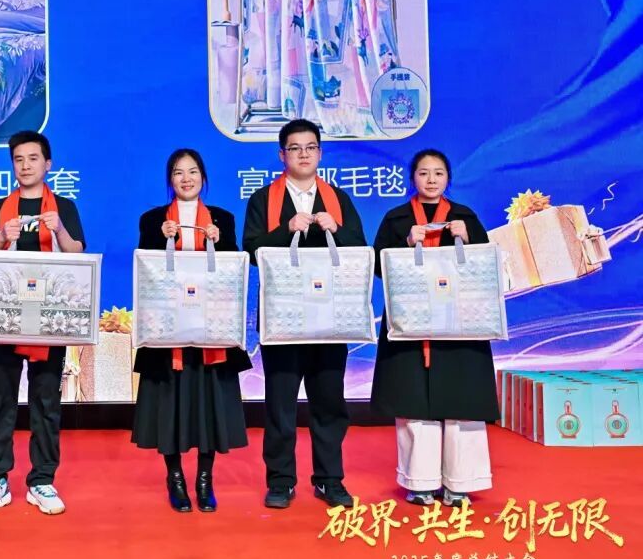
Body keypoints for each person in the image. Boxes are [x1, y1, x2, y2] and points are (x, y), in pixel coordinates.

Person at [242, 119, 365, 510]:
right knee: (280, 404)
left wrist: (337, 229)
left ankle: (330, 479)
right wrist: (285, 229)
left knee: (329, 401)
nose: (303, 154)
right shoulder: (264, 199)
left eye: (310, 147)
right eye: (294, 148)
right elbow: (250, 251)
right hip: (283, 317)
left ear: (320, 153)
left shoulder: (338, 199)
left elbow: (360, 250)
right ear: (282, 155)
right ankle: (280, 481)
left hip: (330, 318)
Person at [0, 131, 86, 517]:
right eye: (19, 159)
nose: (26, 165)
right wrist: (3, 235)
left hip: (49, 319)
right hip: (5, 318)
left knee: (46, 401)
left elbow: (77, 253)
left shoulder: (63, 207)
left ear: (48, 164)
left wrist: (59, 229)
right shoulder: (0, 208)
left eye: (33, 158)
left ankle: (42, 480)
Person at [371, 148, 500, 507]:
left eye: (438, 173)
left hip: (461, 323)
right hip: (410, 324)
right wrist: (405, 243)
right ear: (412, 178)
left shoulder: (465, 217)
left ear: (448, 178)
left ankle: (461, 482)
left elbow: (487, 269)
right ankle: (420, 481)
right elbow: (378, 267)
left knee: (462, 401)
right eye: (424, 173)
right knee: (414, 403)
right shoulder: (397, 219)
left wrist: (469, 239)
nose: (431, 180)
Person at [132, 148, 251, 513]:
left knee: (208, 405)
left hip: (210, 329)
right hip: (167, 331)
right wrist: (158, 238)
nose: (186, 178)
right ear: (170, 180)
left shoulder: (223, 219)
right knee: (169, 405)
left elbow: (233, 272)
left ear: (203, 177)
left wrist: (220, 241)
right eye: (179, 172)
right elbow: (147, 271)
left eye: (193, 171)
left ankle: (204, 478)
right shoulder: (152, 219)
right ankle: (175, 478)